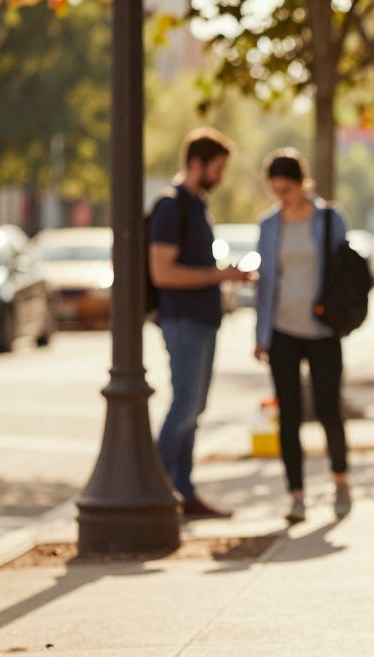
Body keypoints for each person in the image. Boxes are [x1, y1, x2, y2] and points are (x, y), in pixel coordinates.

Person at [149, 127, 253, 519]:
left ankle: (184, 490)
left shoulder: (197, 205)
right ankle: (156, 484)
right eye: (218, 168)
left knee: (195, 407)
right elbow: (163, 272)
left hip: (204, 320)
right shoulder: (170, 206)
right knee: (185, 404)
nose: (221, 176)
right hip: (182, 320)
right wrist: (219, 276)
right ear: (197, 164)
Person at [253, 149, 353, 524]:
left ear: (301, 183)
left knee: (329, 409)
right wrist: (260, 334)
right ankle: (296, 495)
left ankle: (340, 480)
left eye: (288, 189)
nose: (283, 197)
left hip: (323, 329)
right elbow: (265, 284)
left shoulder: (329, 219)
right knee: (289, 413)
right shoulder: (268, 225)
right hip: (281, 331)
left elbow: (344, 272)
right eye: (276, 191)